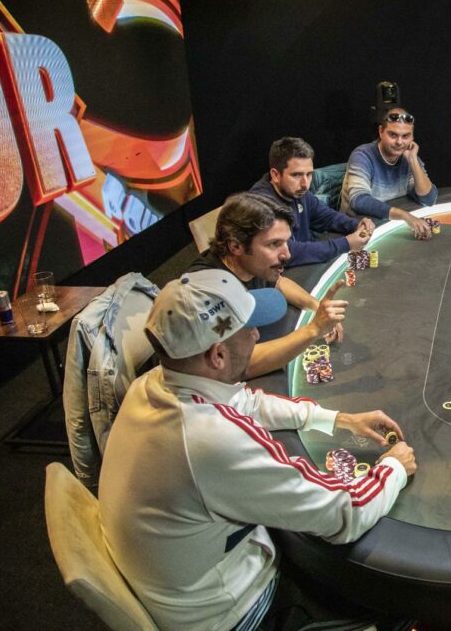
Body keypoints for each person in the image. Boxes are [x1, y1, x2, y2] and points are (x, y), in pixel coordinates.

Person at [99, 269, 417, 631]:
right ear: (218, 355)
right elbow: (346, 513)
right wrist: (393, 467)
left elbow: (245, 402)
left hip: (181, 578)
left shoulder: (151, 385)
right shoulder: (211, 440)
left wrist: (339, 420)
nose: (256, 335)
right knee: (394, 601)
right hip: (234, 613)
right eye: (247, 329)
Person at [187, 192, 348, 378]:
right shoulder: (208, 295)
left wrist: (316, 305)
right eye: (274, 244)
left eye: (286, 242)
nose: (287, 254)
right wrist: (314, 329)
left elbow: (278, 283)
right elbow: (238, 364)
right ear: (236, 247)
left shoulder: (252, 265)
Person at [250, 136, 375, 266]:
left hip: (305, 265)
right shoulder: (260, 205)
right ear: (275, 175)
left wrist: (356, 225)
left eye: (309, 174)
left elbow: (327, 217)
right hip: (280, 272)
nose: (305, 184)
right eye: (296, 175)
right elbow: (287, 252)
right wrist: (346, 243)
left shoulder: (300, 192)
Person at [340, 108, 437, 239]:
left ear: (412, 137)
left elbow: (428, 199)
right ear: (381, 131)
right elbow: (359, 200)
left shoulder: (408, 157)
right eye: (393, 135)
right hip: (358, 229)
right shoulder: (362, 155)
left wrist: (413, 160)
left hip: (389, 224)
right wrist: (405, 216)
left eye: (405, 136)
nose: (399, 142)